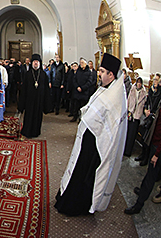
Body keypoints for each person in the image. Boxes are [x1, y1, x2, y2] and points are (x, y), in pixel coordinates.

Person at [55, 53, 126, 216]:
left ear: (111, 74)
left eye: (102, 71)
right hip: (88, 140)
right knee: (77, 170)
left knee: (85, 175)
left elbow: (111, 127)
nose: (99, 74)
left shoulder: (115, 96)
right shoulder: (104, 88)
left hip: (97, 145)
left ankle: (77, 206)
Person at [18, 53, 52, 138]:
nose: (35, 63)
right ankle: (27, 131)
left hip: (39, 99)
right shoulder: (27, 74)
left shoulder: (43, 75)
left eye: (37, 62)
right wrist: (21, 104)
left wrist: (46, 103)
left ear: (39, 63)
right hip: (29, 99)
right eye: (34, 62)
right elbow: (23, 89)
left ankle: (36, 131)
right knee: (28, 115)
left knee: (38, 116)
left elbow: (47, 90)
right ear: (31, 63)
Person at [136, 74, 161, 166]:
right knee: (143, 137)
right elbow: (147, 102)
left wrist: (151, 112)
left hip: (153, 118)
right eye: (154, 79)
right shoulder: (151, 90)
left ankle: (146, 158)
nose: (155, 82)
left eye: (157, 80)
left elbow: (157, 105)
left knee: (148, 140)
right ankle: (142, 154)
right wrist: (145, 109)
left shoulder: (159, 93)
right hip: (147, 116)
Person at [124, 77, 147, 156]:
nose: (139, 84)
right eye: (138, 82)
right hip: (131, 113)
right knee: (127, 132)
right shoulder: (133, 89)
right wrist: (128, 110)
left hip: (137, 115)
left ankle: (128, 151)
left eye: (140, 83)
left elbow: (144, 104)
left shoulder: (144, 92)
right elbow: (129, 99)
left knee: (132, 135)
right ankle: (124, 149)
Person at [70, 58, 93, 122]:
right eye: (80, 63)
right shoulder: (78, 71)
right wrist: (77, 87)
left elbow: (89, 82)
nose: (81, 64)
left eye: (82, 63)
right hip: (77, 91)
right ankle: (75, 117)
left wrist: (82, 88)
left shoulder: (88, 72)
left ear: (85, 64)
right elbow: (74, 80)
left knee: (83, 107)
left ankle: (82, 118)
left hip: (84, 92)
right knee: (76, 106)